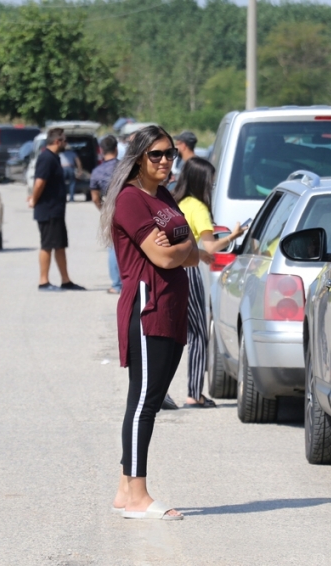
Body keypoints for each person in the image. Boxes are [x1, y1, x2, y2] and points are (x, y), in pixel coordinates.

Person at [100, 125, 201, 520]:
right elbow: (161, 259)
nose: (164, 161)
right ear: (139, 157)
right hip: (148, 308)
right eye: (156, 154)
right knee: (145, 403)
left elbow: (191, 251)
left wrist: (180, 247)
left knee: (147, 399)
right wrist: (181, 250)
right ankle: (139, 495)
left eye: (170, 154)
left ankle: (125, 489)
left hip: (171, 308)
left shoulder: (162, 197)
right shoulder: (130, 200)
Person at [172, 157, 246, 407]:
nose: (212, 186)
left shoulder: (176, 201)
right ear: (202, 181)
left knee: (174, 331)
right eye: (211, 182)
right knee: (197, 333)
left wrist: (199, 251)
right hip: (188, 271)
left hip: (171, 268)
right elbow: (212, 245)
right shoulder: (199, 208)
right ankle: (194, 393)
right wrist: (233, 236)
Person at [28, 128, 85, 292]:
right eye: (64, 140)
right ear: (57, 141)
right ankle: (43, 281)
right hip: (48, 210)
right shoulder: (46, 158)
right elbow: (39, 183)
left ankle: (66, 280)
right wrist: (34, 199)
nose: (66, 143)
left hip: (56, 210)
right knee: (47, 245)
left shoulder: (54, 158)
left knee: (60, 245)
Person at [90, 135, 123, 295]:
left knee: (112, 248)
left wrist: (103, 209)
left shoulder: (97, 171)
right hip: (128, 206)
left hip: (110, 208)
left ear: (102, 151)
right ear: (116, 149)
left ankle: (116, 285)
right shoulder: (125, 167)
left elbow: (95, 197)